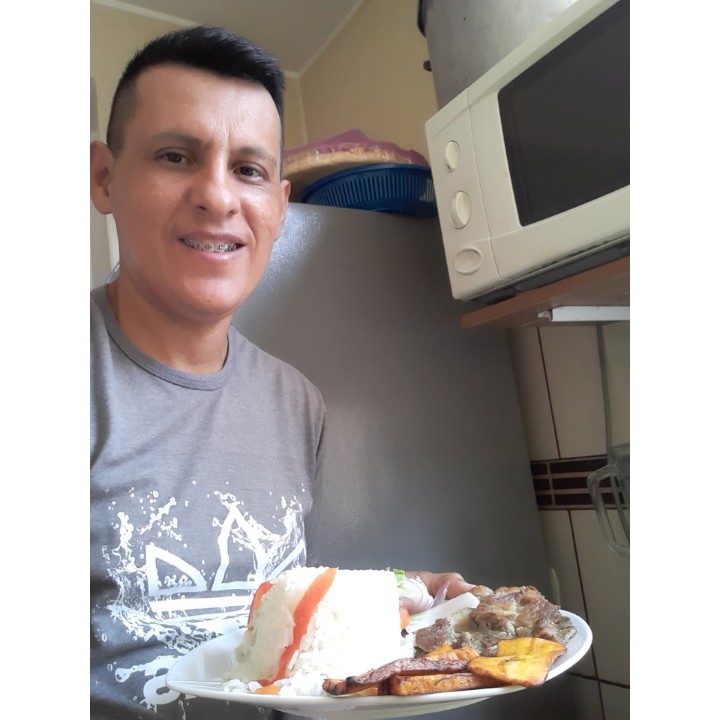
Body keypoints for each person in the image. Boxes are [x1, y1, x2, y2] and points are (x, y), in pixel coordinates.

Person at [90, 25, 473, 720]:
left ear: (278, 204)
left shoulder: (297, 401)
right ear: (104, 178)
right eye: (176, 156)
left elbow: (267, 604)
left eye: (249, 170)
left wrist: (394, 592)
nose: (218, 197)